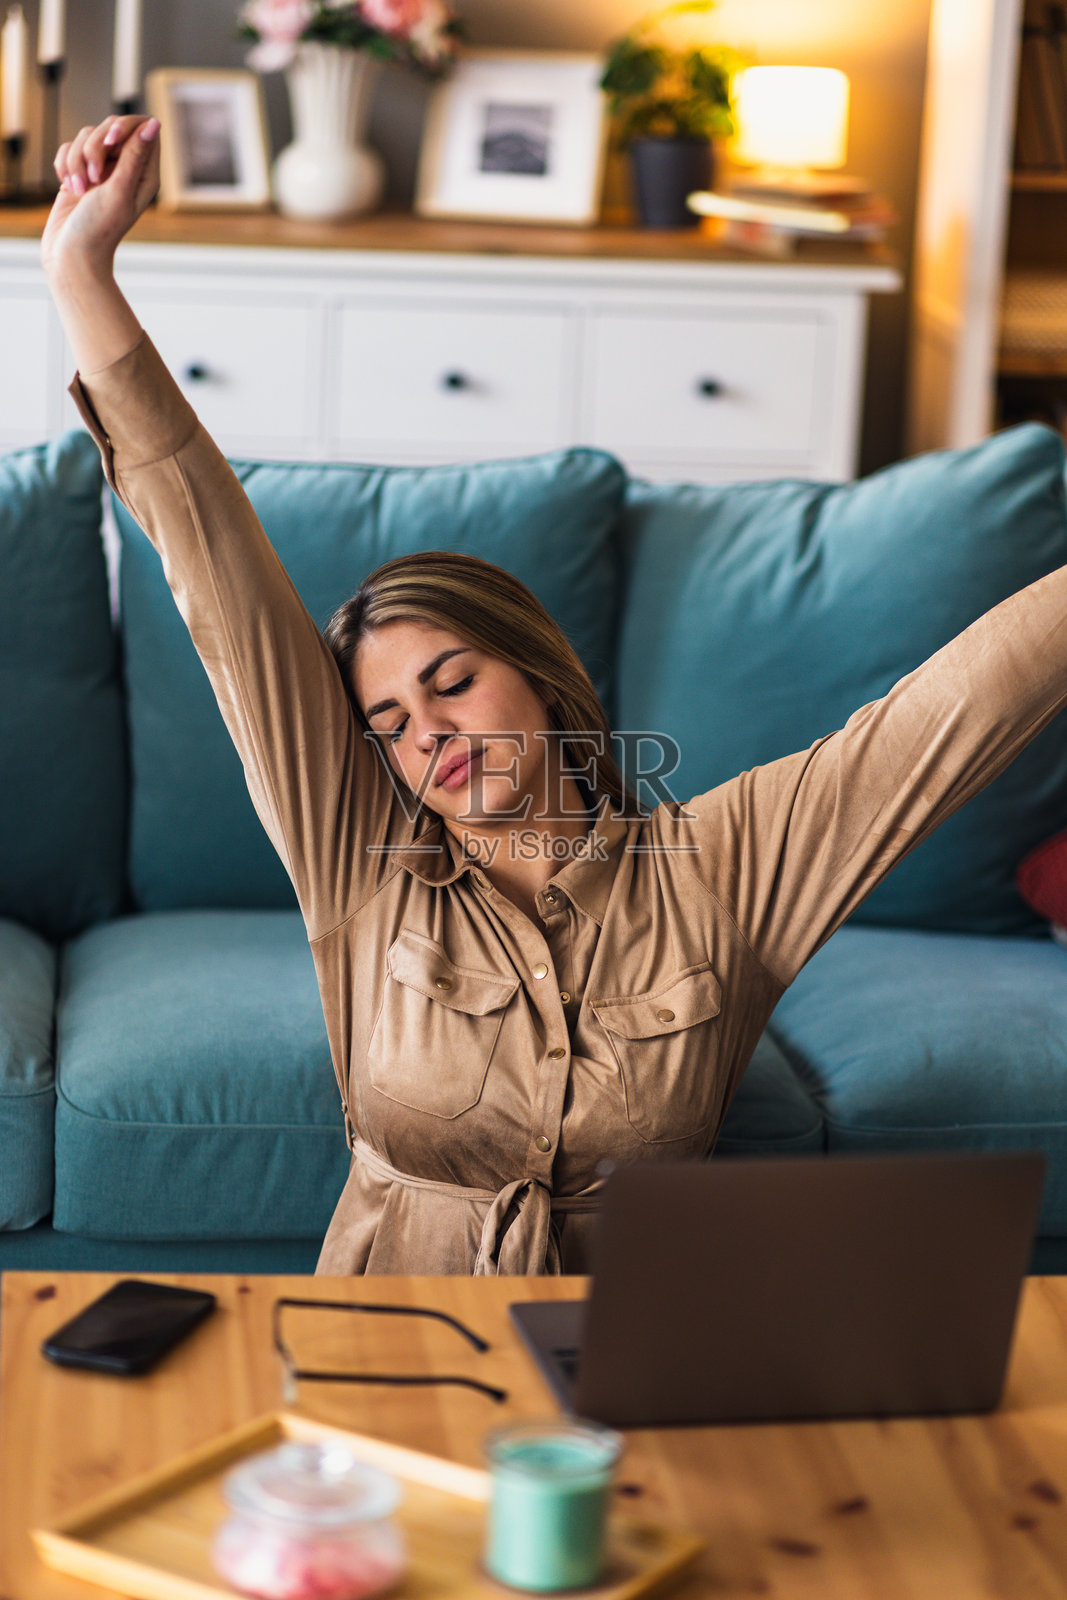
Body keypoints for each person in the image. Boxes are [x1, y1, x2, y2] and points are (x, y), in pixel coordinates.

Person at [43, 115, 1067, 1275]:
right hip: (387, 1345)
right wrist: (81, 272)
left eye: (450, 683)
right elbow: (214, 570)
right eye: (386, 723)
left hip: (624, 1353)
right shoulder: (361, 861)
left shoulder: (725, 868)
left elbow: (949, 716)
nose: (425, 734)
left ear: (538, 676)